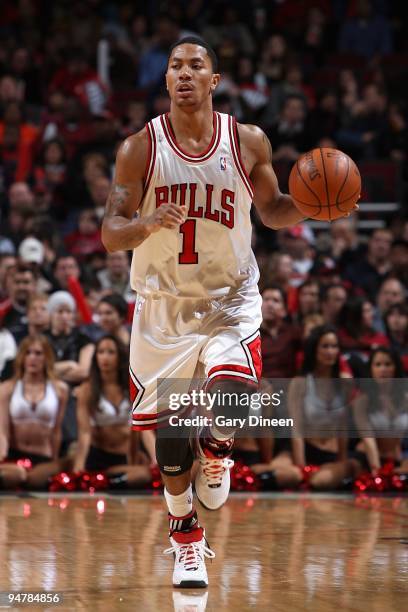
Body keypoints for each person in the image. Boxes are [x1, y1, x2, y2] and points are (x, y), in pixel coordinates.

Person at [101, 37, 355, 588]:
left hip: (229, 296)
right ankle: (185, 536)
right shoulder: (139, 149)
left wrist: (317, 206)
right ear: (165, 80)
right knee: (170, 442)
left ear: (215, 80)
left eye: (196, 65)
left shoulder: (247, 141)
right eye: (175, 66)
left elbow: (271, 211)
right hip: (163, 305)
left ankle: (217, 451)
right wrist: (145, 225)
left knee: (233, 393)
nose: (184, 73)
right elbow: (109, 232)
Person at [72, 335, 154, 485]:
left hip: (124, 457)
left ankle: (108, 482)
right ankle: (107, 481)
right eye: (101, 352)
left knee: (144, 474)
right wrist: (79, 466)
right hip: (97, 456)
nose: (105, 357)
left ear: (120, 356)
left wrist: (155, 459)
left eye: (111, 352)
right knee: (140, 475)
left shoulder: (132, 388)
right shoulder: (87, 389)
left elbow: (145, 429)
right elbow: (84, 432)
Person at [286, 325, 357, 490]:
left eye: (334, 346)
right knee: (291, 475)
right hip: (308, 450)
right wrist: (301, 466)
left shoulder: (345, 381)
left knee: (322, 480)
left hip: (333, 454)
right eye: (325, 346)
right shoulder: (300, 382)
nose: (330, 351)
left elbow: (343, 426)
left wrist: (341, 460)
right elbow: (296, 428)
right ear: (314, 349)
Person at [0, 334, 68, 489]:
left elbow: (56, 431)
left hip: (43, 456)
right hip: (14, 454)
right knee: (16, 474)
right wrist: (2, 457)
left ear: (47, 358)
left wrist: (54, 460)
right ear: (21, 358)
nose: (32, 358)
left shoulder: (59, 390)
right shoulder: (7, 388)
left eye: (38, 353)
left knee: (39, 477)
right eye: (28, 353)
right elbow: (3, 431)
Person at [352, 347, 408, 474]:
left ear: (396, 367)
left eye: (388, 364)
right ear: (371, 369)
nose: (383, 369)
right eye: (378, 365)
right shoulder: (362, 401)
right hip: (366, 459)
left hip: (396, 460)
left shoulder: (405, 399)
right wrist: (377, 472)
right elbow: (368, 439)